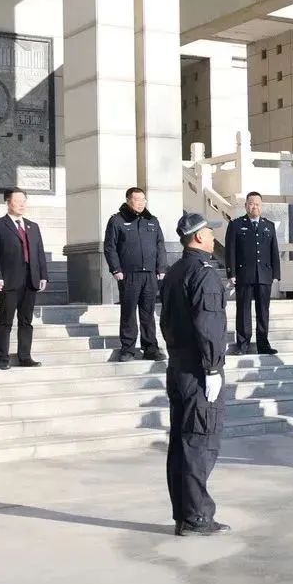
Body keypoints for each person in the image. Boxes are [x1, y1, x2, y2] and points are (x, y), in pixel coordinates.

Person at [160, 213, 230, 536]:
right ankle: (197, 516)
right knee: (199, 442)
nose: (214, 238)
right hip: (200, 369)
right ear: (198, 237)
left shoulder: (175, 271)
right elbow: (209, 326)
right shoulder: (204, 274)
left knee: (181, 443)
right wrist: (213, 366)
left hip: (178, 365)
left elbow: (166, 323)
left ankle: (184, 514)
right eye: (210, 233)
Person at [0, 187, 49, 370]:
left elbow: (39, 253)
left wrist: (43, 275)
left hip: (31, 280)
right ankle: (2, 358)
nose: (22, 204)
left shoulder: (32, 226)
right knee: (6, 320)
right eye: (18, 201)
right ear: (8, 202)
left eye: (24, 201)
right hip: (8, 281)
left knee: (26, 321)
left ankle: (25, 357)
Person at [103, 187, 167, 362]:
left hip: (150, 276)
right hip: (128, 275)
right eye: (137, 199)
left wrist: (161, 269)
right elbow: (110, 247)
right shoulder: (117, 221)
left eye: (143, 199)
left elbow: (160, 246)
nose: (141, 203)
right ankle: (128, 349)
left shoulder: (152, 221)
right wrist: (116, 269)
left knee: (148, 313)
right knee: (129, 312)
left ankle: (150, 348)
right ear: (128, 200)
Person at [225, 192, 281, 355]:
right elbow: (230, 251)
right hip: (244, 274)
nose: (254, 206)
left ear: (261, 206)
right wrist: (231, 273)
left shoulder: (268, 225)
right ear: (246, 205)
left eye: (257, 204)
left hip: (264, 275)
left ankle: (263, 344)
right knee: (243, 310)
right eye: (251, 203)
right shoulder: (236, 225)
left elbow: (274, 250)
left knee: (263, 311)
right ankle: (242, 344)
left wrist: (276, 273)